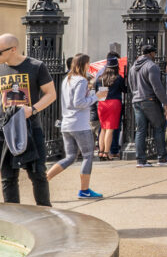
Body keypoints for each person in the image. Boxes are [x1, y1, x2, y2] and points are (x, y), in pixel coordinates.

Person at [0, 33, 57, 205]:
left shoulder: (36, 66)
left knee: (38, 173)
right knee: (8, 177)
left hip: (30, 127)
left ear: (13, 49)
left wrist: (32, 110)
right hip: (5, 130)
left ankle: (45, 214)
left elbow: (51, 94)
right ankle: (13, 218)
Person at [47, 53, 107, 198]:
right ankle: (84, 190)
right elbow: (79, 103)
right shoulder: (81, 80)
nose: (89, 65)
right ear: (83, 64)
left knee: (70, 157)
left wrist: (90, 91)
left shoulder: (67, 79)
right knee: (87, 155)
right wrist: (95, 97)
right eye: (88, 63)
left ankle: (44, 179)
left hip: (67, 123)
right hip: (79, 123)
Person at [128, 44, 167, 167]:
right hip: (149, 99)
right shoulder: (152, 66)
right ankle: (162, 157)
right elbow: (157, 87)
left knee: (140, 130)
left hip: (136, 100)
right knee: (159, 126)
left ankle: (140, 160)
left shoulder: (132, 68)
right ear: (151, 53)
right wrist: (165, 103)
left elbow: (131, 86)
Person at [94, 55, 125, 160]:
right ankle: (107, 153)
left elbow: (97, 93)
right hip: (114, 103)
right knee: (110, 129)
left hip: (102, 103)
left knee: (103, 128)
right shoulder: (118, 78)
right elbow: (124, 90)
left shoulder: (100, 79)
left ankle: (101, 152)